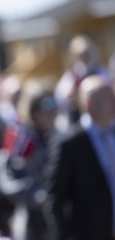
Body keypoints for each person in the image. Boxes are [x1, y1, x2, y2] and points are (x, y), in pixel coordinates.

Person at [45, 75, 115, 240]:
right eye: (106, 97)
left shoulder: (112, 134)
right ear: (89, 103)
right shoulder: (69, 143)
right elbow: (55, 196)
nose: (112, 101)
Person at [0, 80, 57, 240]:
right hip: (32, 224)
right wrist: (41, 196)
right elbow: (8, 179)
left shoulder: (56, 137)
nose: (55, 109)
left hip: (56, 220)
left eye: (55, 102)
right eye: (49, 104)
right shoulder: (21, 139)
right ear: (34, 111)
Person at [54, 35, 111, 132]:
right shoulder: (70, 78)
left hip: (104, 122)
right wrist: (72, 99)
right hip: (80, 125)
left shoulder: (102, 72)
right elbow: (60, 100)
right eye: (82, 55)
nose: (86, 58)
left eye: (87, 53)